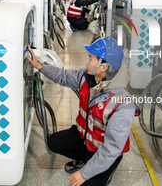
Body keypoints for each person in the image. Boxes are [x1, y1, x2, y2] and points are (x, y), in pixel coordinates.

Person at [28, 37, 138, 186]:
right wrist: (40, 66)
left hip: (105, 151)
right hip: (85, 138)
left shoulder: (122, 104)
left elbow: (111, 148)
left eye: (91, 59)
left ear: (103, 67)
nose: (87, 62)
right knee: (54, 142)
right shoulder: (86, 77)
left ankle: (103, 171)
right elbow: (63, 76)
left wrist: (84, 174)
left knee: (85, 183)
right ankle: (89, 162)